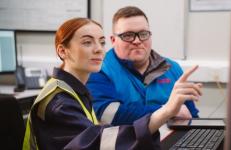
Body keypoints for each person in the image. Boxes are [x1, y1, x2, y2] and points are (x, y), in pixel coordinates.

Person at [22, 17, 202, 150]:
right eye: (87, 42)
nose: (98, 49)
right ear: (62, 51)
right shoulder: (60, 103)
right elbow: (98, 142)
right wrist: (166, 111)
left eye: (101, 42)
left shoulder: (74, 89)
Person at [87, 6, 199, 126]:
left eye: (143, 34)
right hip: (125, 143)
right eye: (128, 35)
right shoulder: (98, 69)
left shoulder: (172, 68)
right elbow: (108, 114)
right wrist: (168, 110)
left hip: (171, 142)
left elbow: (191, 116)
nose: (137, 41)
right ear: (113, 40)